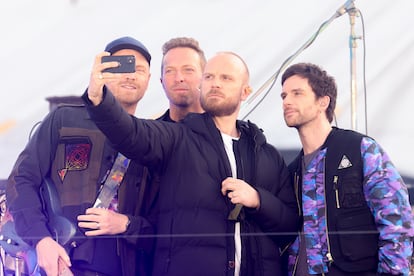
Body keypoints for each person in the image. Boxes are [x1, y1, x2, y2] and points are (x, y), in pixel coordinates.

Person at [83, 51, 299, 275]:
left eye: (226, 78)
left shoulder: (268, 155)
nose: (215, 83)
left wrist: (257, 200)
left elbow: (290, 228)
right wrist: (98, 98)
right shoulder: (177, 138)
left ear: (245, 91)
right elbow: (131, 132)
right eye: (209, 77)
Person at [6, 36, 154, 276]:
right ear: (103, 72)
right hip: (61, 265)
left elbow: (163, 219)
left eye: (139, 70)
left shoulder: (152, 140)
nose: (130, 75)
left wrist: (126, 224)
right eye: (122, 67)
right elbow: (20, 181)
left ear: (149, 81)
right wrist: (41, 240)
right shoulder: (65, 120)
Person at [280, 62, 414, 275]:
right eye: (284, 95)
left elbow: (397, 223)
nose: (287, 101)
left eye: (297, 93)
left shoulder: (361, 150)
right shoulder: (291, 172)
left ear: (323, 101)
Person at [158, 36, 205, 122]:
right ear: (162, 81)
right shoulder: (152, 134)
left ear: (205, 78)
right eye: (170, 71)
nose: (179, 78)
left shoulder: (227, 131)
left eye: (188, 70)